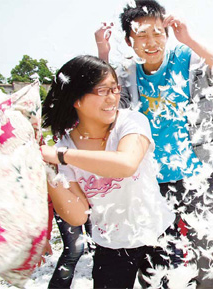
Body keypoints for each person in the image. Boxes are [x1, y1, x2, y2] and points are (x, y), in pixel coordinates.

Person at [95, 1, 213, 287]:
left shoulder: (187, 58)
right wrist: (103, 54)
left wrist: (189, 38)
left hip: (198, 176)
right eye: (142, 35)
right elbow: (104, 111)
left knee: (207, 258)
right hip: (150, 182)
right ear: (129, 40)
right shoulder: (127, 74)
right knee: (155, 264)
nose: (151, 42)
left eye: (158, 33)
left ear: (167, 33)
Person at [40, 55, 176, 289]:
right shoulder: (67, 144)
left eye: (115, 89)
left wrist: (61, 156)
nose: (113, 98)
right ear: (76, 99)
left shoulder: (131, 122)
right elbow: (78, 215)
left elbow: (126, 164)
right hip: (111, 245)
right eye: (103, 91)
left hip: (158, 236)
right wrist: (49, 170)